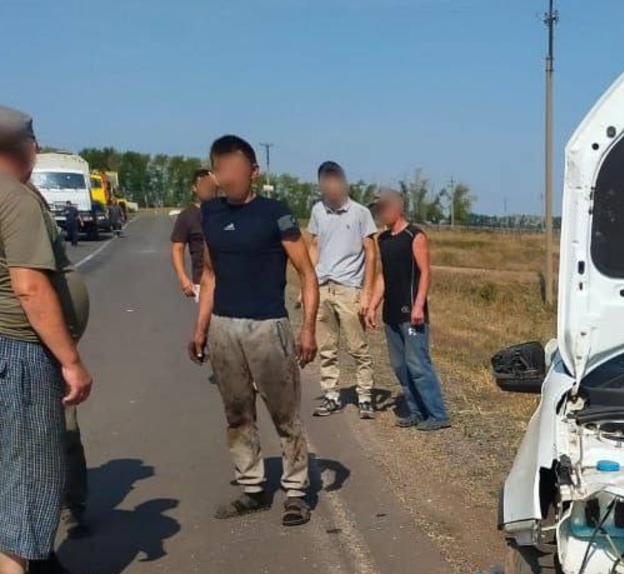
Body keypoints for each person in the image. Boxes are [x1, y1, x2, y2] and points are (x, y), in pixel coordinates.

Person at [0, 105, 109, 574]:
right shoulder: (12, 197)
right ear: (24, 147)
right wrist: (71, 360)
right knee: (29, 464)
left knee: (11, 462)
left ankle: (42, 566)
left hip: (0, 346)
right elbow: (30, 286)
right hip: (18, 347)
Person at [189, 134, 319, 526]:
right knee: (237, 413)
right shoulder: (210, 213)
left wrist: (307, 329)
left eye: (234, 168)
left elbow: (307, 273)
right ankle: (253, 488)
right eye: (220, 169)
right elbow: (209, 275)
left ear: (254, 171)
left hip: (268, 328)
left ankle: (295, 493)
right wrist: (201, 328)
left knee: (285, 414)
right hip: (224, 328)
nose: (226, 176)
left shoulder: (274, 213)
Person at [366, 190, 449, 430]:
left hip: (411, 312)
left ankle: (437, 414)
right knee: (400, 366)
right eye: (377, 209)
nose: (380, 213)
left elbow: (425, 272)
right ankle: (417, 412)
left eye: (383, 208)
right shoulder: (383, 239)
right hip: (391, 313)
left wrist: (418, 305)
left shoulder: (415, 235)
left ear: (398, 208)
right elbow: (384, 275)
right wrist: (372, 305)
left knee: (418, 364)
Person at [307, 161, 377, 419]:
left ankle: (365, 396)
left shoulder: (360, 213)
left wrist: (367, 292)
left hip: (349, 288)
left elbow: (371, 253)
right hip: (323, 286)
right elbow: (314, 246)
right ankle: (331, 395)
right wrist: (308, 284)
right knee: (326, 347)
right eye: (325, 183)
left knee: (358, 348)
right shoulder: (318, 210)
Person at [169, 168, 217, 301]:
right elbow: (177, 249)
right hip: (202, 281)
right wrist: (183, 279)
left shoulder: (224, 210)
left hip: (228, 280)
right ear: (194, 188)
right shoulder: (187, 216)